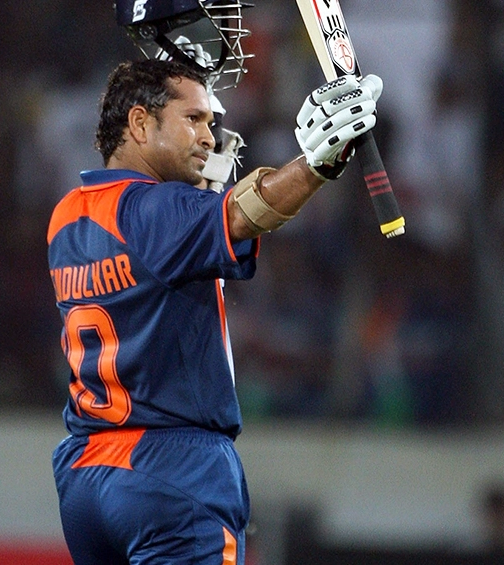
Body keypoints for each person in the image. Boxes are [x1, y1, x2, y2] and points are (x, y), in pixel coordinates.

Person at [47, 58, 383, 564]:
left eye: (211, 121)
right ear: (140, 123)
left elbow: (169, 248)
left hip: (86, 472)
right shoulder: (156, 211)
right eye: (194, 119)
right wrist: (318, 163)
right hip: (171, 468)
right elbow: (239, 216)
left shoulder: (66, 217)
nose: (209, 136)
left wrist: (207, 175)